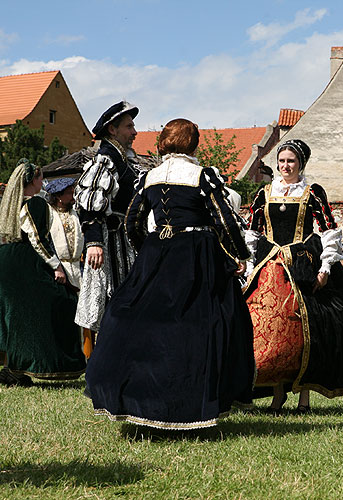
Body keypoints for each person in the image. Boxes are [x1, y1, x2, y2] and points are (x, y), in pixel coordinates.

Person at [85, 119, 255, 430]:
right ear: (193, 143)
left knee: (142, 322)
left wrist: (148, 251)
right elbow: (225, 219)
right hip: (197, 253)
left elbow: (133, 222)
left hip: (157, 252)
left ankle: (139, 398)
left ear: (163, 142)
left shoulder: (149, 176)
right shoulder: (201, 176)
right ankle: (193, 402)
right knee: (201, 324)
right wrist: (239, 255)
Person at [245, 139, 343, 414]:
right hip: (270, 266)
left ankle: (304, 400)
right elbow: (253, 233)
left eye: (291, 161)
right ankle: (277, 395)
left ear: (301, 164)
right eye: (282, 161)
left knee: (307, 331)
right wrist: (251, 267)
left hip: (302, 267)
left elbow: (329, 231)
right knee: (272, 332)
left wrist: (324, 269)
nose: (285, 166)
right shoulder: (264, 193)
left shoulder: (312, 192)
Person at [0, 159, 86, 386]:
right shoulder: (35, 203)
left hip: (5, 260)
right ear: (32, 181)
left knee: (17, 318)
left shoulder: (17, 203)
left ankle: (12, 369)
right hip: (26, 263)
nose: (42, 181)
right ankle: (27, 366)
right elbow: (38, 238)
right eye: (40, 178)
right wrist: (56, 266)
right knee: (56, 307)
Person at [74, 101, 140, 335]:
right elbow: (90, 203)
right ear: (112, 129)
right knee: (110, 301)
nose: (134, 132)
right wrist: (94, 243)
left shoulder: (122, 161)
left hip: (123, 244)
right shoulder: (106, 160)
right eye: (129, 126)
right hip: (108, 245)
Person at [45, 177, 84, 291]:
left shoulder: (77, 213)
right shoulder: (49, 215)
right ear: (58, 196)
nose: (73, 196)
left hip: (79, 268)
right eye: (69, 193)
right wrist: (56, 267)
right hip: (59, 271)